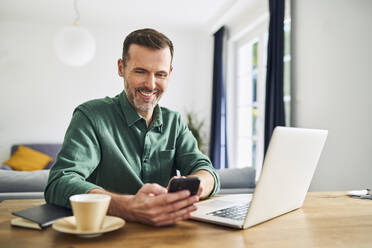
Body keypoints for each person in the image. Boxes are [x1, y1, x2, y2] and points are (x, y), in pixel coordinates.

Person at [44, 28, 220, 227]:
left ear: (169, 73)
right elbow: (59, 182)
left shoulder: (175, 122)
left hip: (166, 234)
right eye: (140, 71)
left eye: (160, 74)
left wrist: (196, 186)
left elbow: (206, 170)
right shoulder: (90, 116)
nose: (151, 84)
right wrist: (125, 206)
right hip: (105, 235)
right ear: (121, 67)